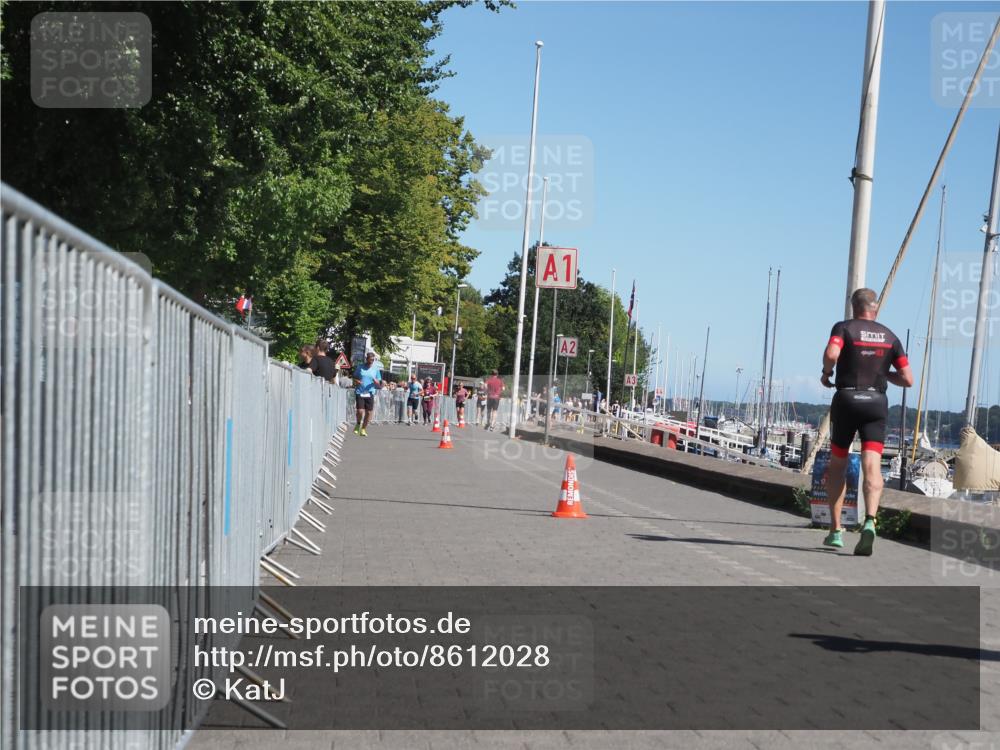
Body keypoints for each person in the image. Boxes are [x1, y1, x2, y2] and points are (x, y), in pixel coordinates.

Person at [821, 288, 913, 556]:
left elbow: (831, 354)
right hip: (876, 403)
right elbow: (908, 379)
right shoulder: (890, 336)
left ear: (853, 307)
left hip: (847, 400)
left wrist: (827, 373)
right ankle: (870, 521)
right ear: (876, 309)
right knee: (871, 464)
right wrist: (885, 373)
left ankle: (836, 530)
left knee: (838, 465)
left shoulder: (844, 328)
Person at [352, 351, 383, 437]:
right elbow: (354, 377)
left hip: (370, 392)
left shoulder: (376, 369)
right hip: (360, 391)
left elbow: (379, 381)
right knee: (360, 411)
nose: (371, 362)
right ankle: (358, 424)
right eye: (370, 360)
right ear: (366, 359)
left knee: (369, 413)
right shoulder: (360, 367)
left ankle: (363, 429)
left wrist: (377, 382)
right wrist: (357, 381)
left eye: (372, 360)